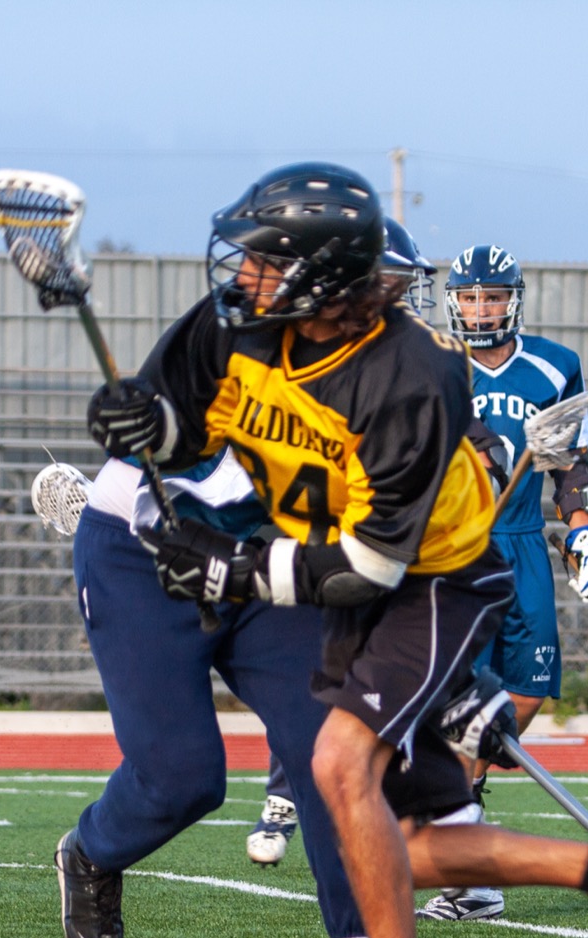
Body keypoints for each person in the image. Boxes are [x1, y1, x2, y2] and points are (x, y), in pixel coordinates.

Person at [82, 162, 588, 938]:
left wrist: (236, 572)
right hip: (361, 588)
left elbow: (370, 565)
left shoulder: (410, 377)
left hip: (434, 586)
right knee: (410, 841)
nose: (241, 275)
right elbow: (187, 430)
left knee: (335, 763)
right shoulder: (237, 326)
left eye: (264, 260)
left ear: (324, 279)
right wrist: (143, 427)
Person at [57, 447, 374, 938]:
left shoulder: (395, 371)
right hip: (146, 549)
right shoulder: (235, 356)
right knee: (184, 779)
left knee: (333, 745)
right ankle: (92, 852)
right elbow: (158, 411)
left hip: (267, 550)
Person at [416, 244, 588, 923]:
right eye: (468, 297)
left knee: (528, 692)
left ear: (513, 299)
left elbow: (571, 465)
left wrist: (584, 529)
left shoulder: (554, 367)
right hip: (458, 544)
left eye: (491, 296)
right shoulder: (435, 360)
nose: (480, 309)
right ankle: (468, 869)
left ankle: (463, 811)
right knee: (457, 700)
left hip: (526, 542)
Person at [244, 217, 439, 871]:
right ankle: (284, 796)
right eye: (384, 286)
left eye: (402, 288)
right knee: (309, 682)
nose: (399, 302)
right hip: (316, 552)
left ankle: (424, 810)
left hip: (386, 554)